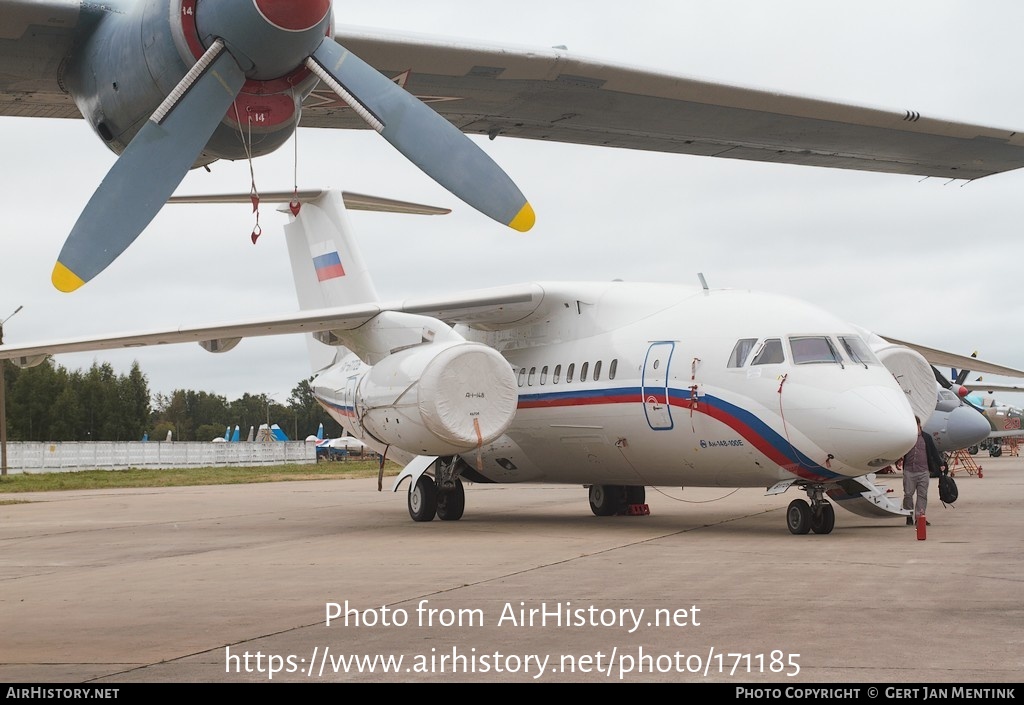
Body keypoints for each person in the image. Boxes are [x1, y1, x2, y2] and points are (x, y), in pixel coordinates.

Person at [901, 416, 946, 525]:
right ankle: (908, 515)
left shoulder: (927, 438)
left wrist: (941, 464)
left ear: (918, 425)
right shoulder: (907, 437)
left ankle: (920, 517)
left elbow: (934, 452)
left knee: (922, 495)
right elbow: (900, 450)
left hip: (923, 471)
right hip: (909, 471)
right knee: (908, 494)